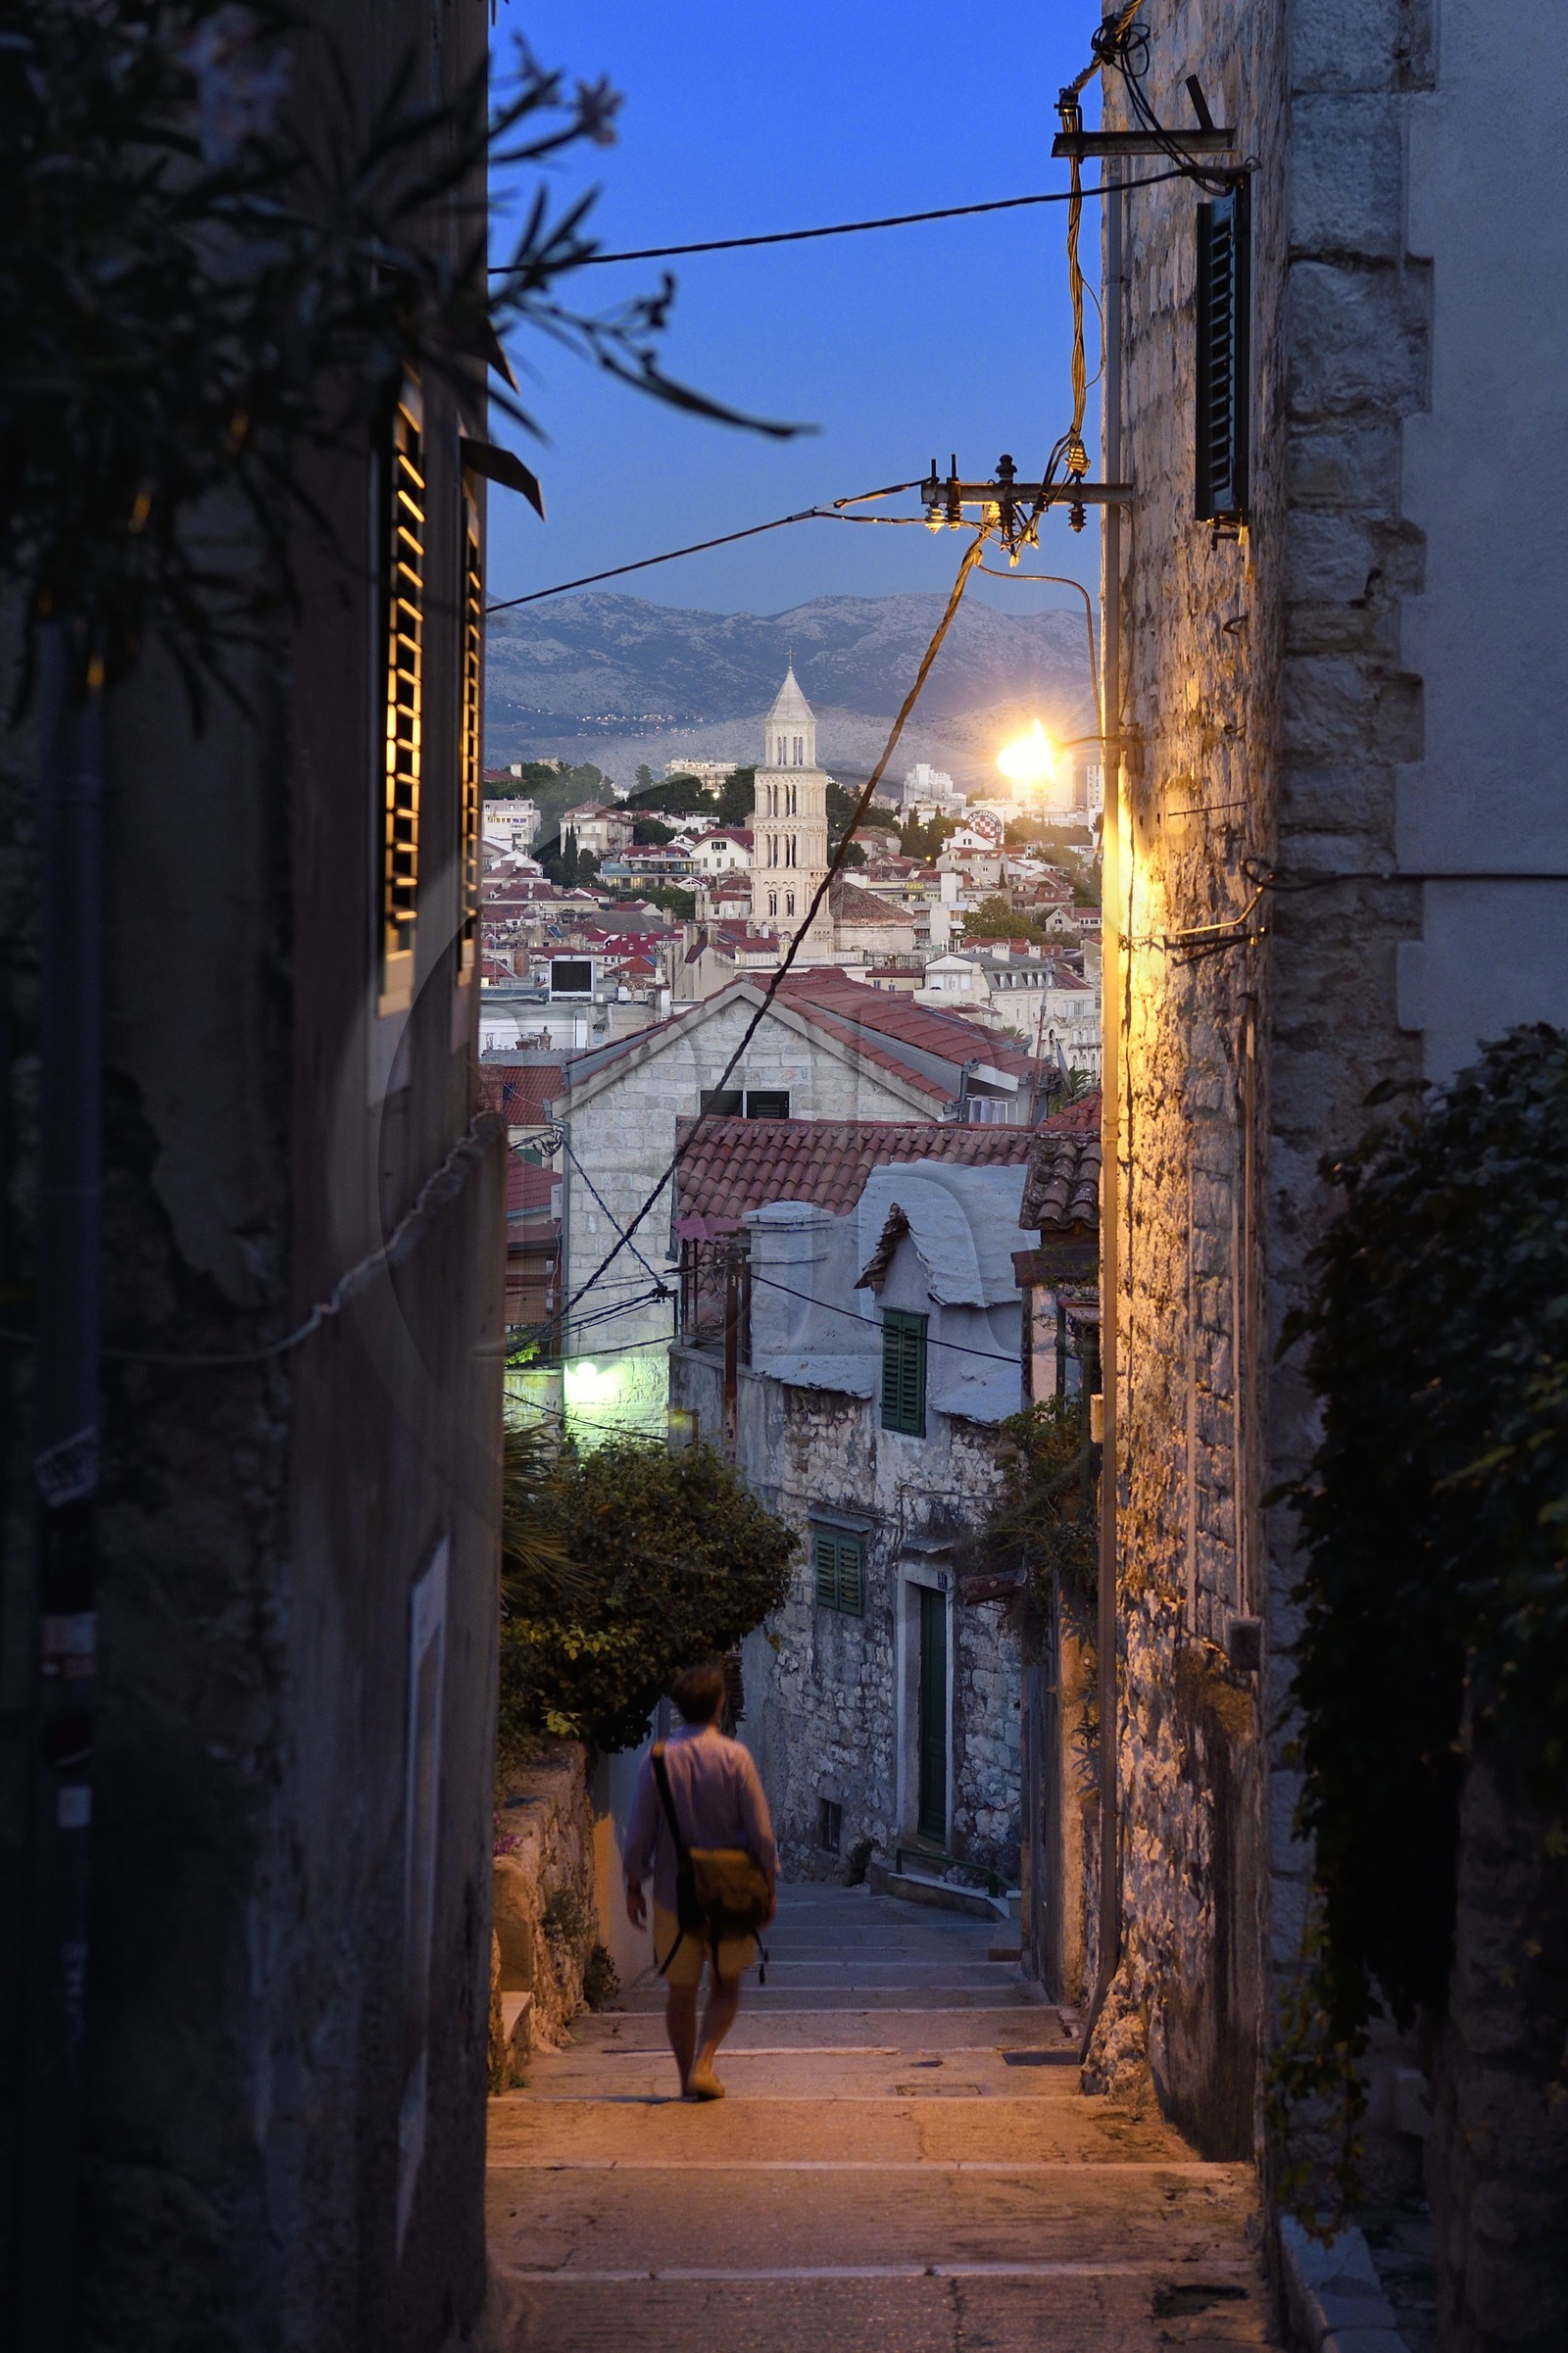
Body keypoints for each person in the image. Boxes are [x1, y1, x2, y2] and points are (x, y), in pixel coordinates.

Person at [622, 1660, 777, 2101]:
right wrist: (769, 1886)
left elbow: (638, 1835)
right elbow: (762, 1835)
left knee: (681, 1991)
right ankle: (705, 2062)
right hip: (731, 1894)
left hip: (676, 1894)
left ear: (679, 1707)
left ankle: (683, 2079)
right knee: (727, 1986)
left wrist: (635, 1886)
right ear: (718, 1705)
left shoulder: (657, 1760)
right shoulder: (736, 1759)